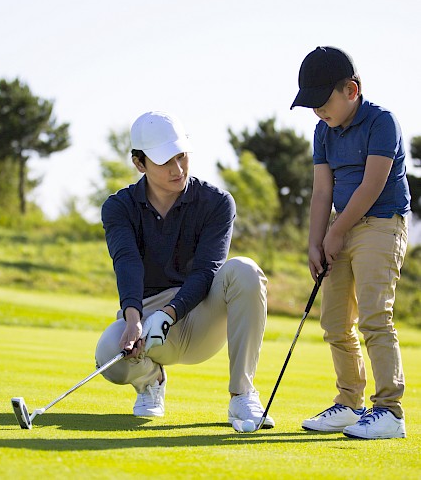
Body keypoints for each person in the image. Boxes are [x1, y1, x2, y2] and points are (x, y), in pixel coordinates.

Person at [95, 110, 274, 428]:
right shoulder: (118, 207)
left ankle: (242, 395)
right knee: (109, 352)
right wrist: (134, 319)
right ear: (140, 163)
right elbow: (127, 262)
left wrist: (170, 313)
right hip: (150, 317)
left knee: (244, 270)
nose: (178, 169)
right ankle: (151, 380)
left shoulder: (217, 202)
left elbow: (207, 271)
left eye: (181, 156)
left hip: (203, 313)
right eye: (165, 161)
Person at [290, 47, 411, 439]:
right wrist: (314, 242)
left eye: (323, 102)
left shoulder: (382, 122)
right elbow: (322, 190)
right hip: (340, 226)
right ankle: (349, 404)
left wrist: (335, 232)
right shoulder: (323, 130)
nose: (317, 112)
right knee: (336, 322)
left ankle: (389, 411)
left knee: (375, 316)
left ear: (351, 90)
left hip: (380, 223)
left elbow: (372, 185)